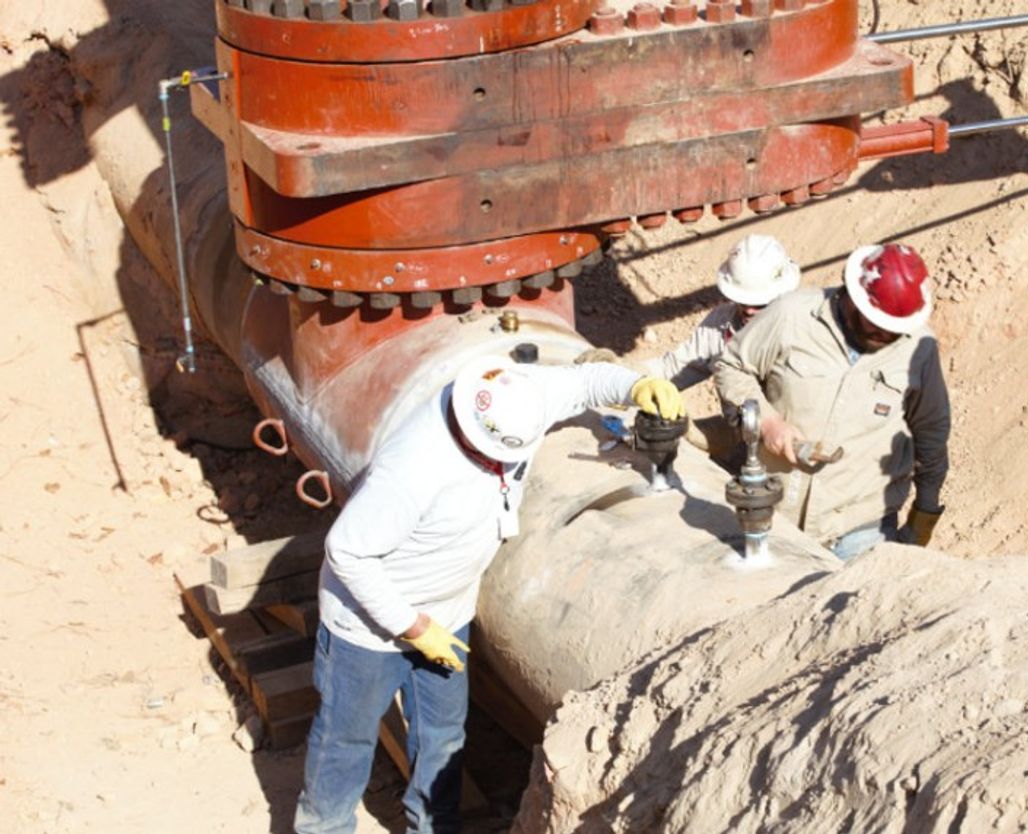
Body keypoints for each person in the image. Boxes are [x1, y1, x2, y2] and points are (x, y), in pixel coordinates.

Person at [294, 356, 683, 834]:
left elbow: (583, 381)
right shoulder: (413, 470)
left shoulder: (515, 398)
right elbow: (347, 552)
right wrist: (413, 628)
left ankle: (433, 826)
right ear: (477, 439)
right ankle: (322, 827)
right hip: (368, 629)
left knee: (442, 737)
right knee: (345, 742)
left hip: (447, 612)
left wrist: (636, 384)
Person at [714, 242, 951, 560]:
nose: (883, 335)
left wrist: (924, 513)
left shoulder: (919, 348)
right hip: (776, 516)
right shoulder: (793, 316)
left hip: (861, 529)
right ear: (854, 298)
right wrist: (767, 423)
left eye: (892, 330)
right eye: (875, 325)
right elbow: (732, 366)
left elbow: (932, 430)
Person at [646, 234, 801, 389]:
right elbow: (671, 369)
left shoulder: (805, 333)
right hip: (742, 411)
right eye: (742, 300)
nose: (748, 310)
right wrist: (629, 382)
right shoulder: (722, 323)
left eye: (760, 303)